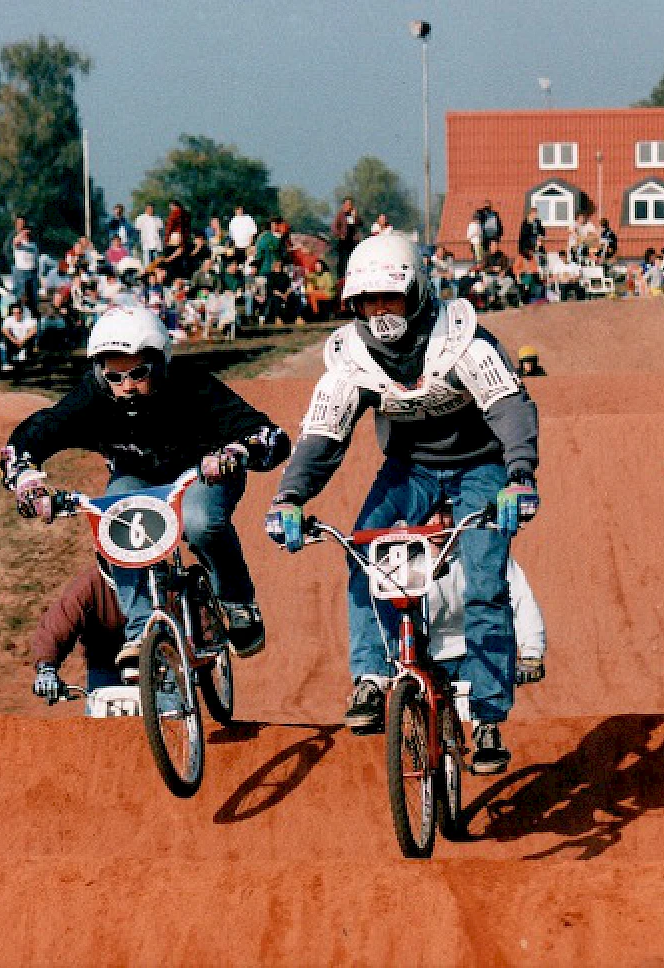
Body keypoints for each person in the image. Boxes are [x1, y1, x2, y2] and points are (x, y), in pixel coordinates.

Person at [265, 234, 540, 775]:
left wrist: (519, 477)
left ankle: (486, 719)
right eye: (369, 301)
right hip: (408, 468)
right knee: (364, 555)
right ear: (354, 305)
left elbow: (509, 408)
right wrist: (290, 496)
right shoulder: (350, 357)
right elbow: (323, 434)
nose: (381, 312)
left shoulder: (463, 340)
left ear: (418, 292)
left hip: (480, 465)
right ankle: (370, 677)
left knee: (484, 580)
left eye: (390, 298)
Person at [0, 305, 291, 667]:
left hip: (202, 473)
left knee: (200, 522)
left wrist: (235, 452)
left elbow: (272, 435)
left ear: (161, 363)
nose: (127, 387)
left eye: (139, 374)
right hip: (136, 477)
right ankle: (141, 631)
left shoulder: (195, 387)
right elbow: (32, 435)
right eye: (115, 377)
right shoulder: (92, 397)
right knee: (115, 524)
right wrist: (27, 481)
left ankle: (237, 602)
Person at [425, 502, 547, 685]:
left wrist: (532, 651)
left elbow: (520, 597)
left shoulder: (482, 552)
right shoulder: (401, 555)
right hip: (424, 655)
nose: (439, 522)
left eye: (446, 512)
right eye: (430, 514)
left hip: (479, 651)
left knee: (483, 707)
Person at [29, 560, 129, 703]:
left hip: (158, 663)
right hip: (105, 663)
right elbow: (59, 622)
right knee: (100, 713)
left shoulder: (159, 579)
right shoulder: (90, 584)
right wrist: (47, 668)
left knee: (169, 711)